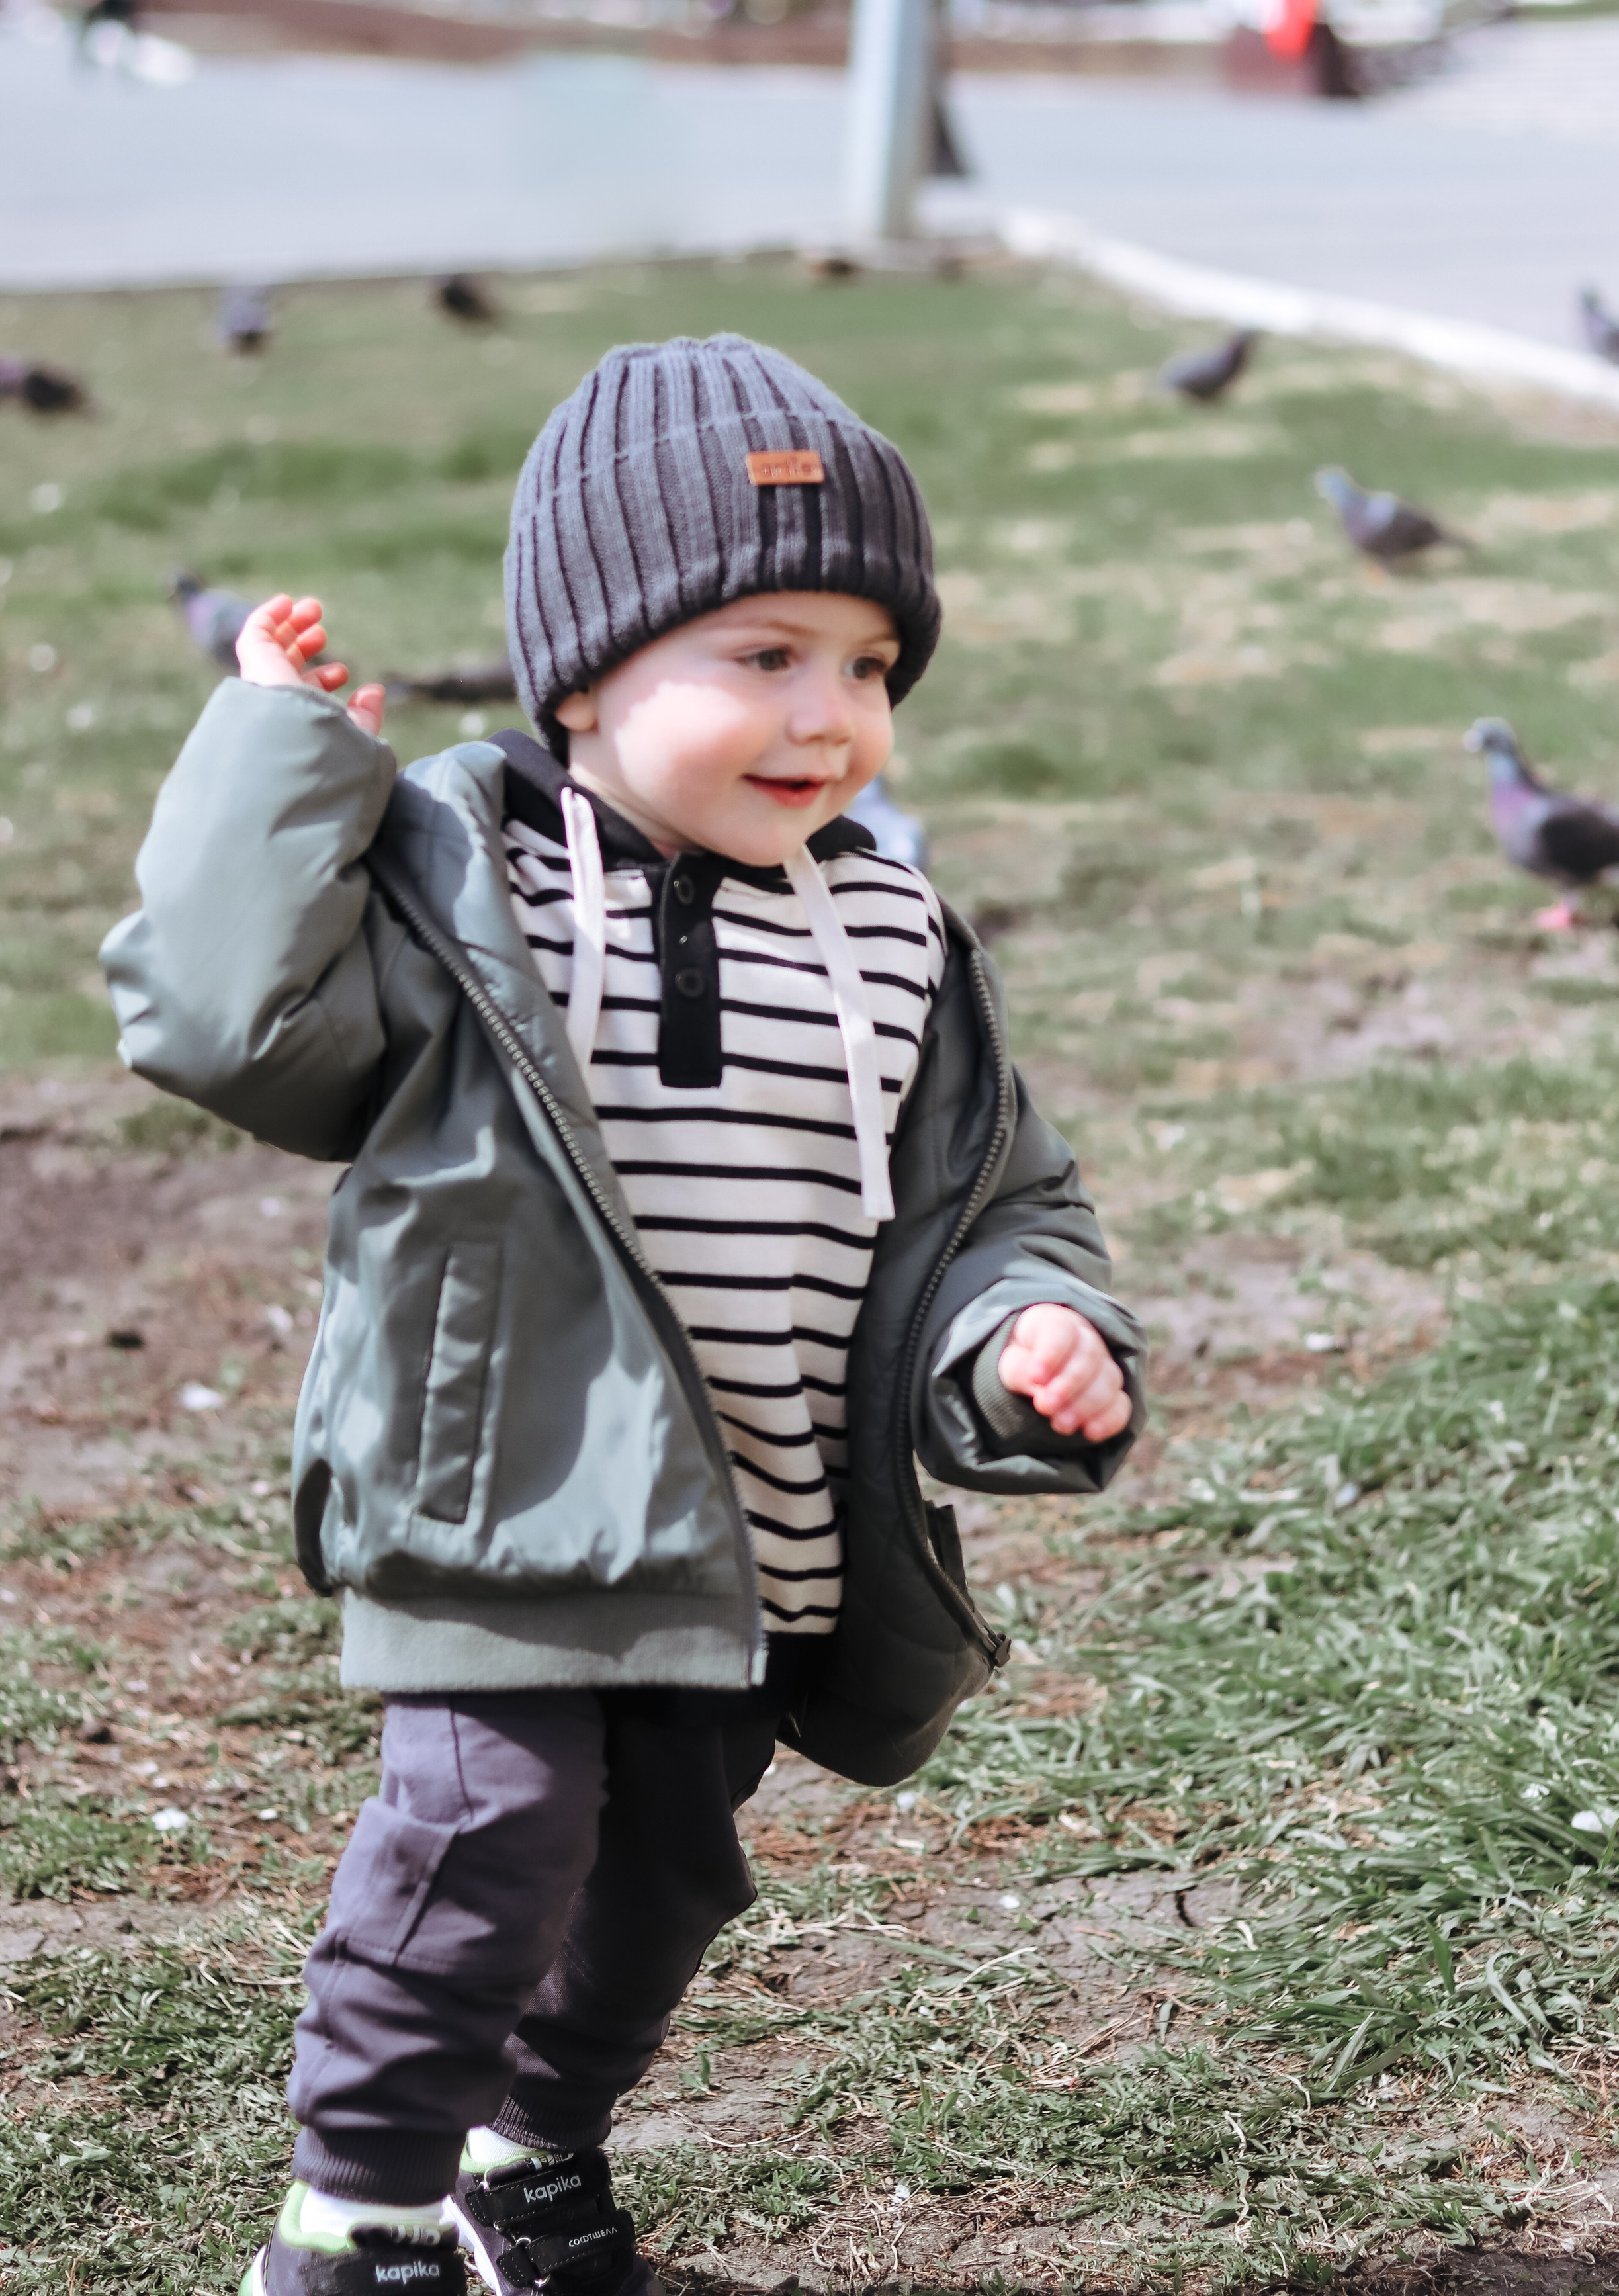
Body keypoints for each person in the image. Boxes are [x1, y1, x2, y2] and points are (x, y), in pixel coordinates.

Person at [100, 335, 1145, 2296]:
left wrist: (1021, 1336)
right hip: (496, 1489)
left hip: (753, 1536)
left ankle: (528, 2151)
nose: (827, 712)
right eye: (763, 654)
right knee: (480, 1836)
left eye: (866, 666)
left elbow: (996, 1202)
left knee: (662, 1874)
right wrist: (272, 758)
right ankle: (352, 2223)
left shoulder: (890, 941)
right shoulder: (458, 865)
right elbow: (226, 1024)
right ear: (583, 668)